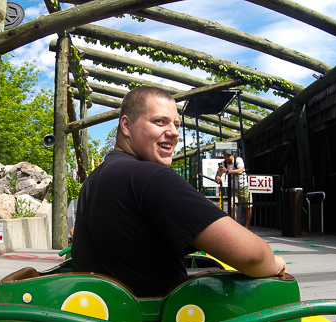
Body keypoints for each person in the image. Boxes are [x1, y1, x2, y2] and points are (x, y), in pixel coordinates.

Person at [71, 86, 285, 297]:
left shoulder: (93, 180)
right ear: (126, 125)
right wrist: (275, 262)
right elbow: (253, 256)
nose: (173, 132)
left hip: (102, 318)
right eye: (159, 122)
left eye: (176, 124)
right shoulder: (149, 176)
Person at [215, 149, 253, 229]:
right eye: (225, 156)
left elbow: (240, 170)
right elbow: (219, 173)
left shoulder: (238, 160)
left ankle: (246, 227)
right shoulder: (223, 163)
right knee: (232, 206)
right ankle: (235, 227)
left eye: (228, 156)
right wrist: (218, 177)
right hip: (233, 188)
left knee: (248, 207)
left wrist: (228, 171)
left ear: (232, 156)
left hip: (244, 187)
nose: (227, 158)